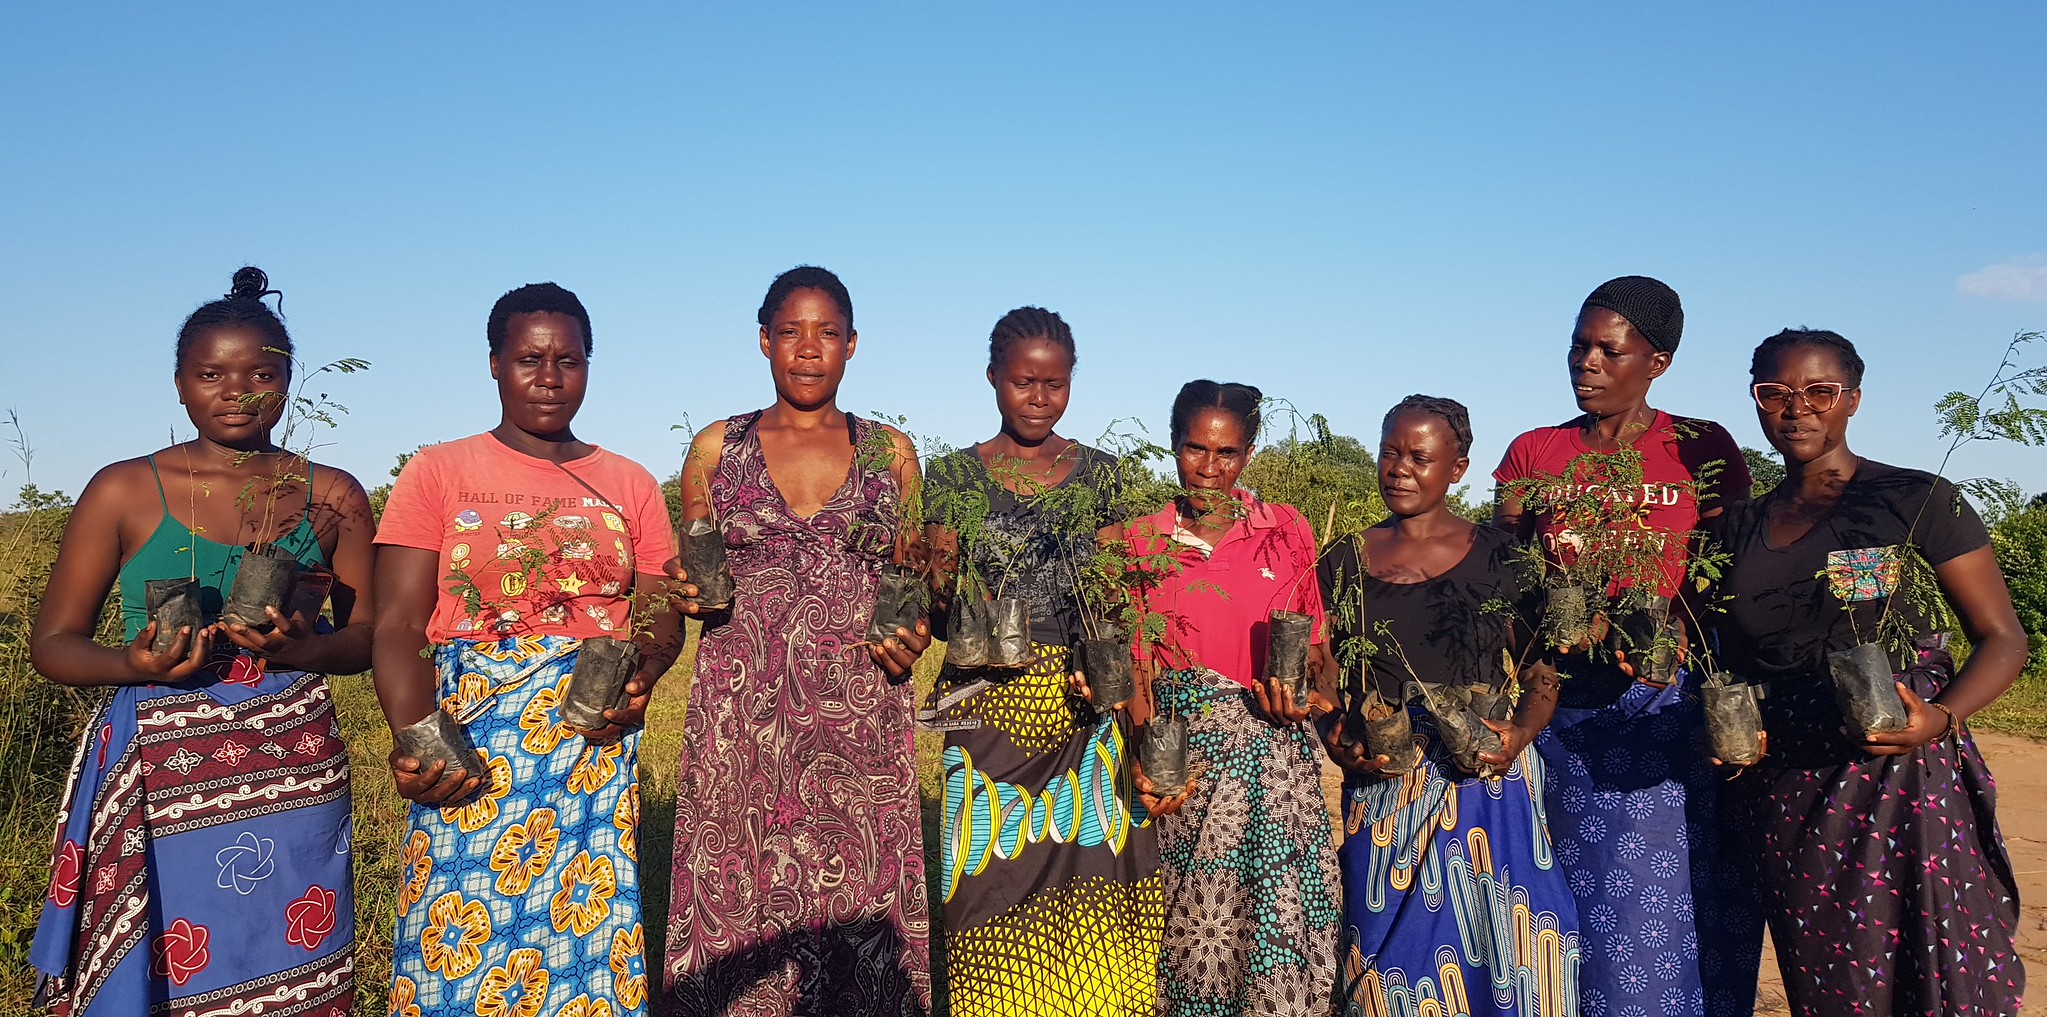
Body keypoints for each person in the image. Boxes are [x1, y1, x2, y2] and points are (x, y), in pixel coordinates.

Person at [29, 267, 373, 1015]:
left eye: (261, 375)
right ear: (179, 384)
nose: (236, 391)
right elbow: (53, 642)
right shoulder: (123, 489)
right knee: (158, 962)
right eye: (211, 374)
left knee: (290, 962)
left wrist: (306, 649)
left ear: (289, 382)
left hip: (292, 765)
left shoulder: (334, 494)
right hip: (159, 762)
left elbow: (370, 636)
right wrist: (129, 662)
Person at [372, 282, 685, 1017]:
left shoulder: (629, 482)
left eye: (567, 361)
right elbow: (398, 624)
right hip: (471, 743)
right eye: (529, 360)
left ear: (588, 366)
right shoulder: (438, 472)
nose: (549, 377)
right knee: (455, 941)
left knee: (585, 948)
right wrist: (419, 739)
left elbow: (661, 613)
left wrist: (640, 677)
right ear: (494, 363)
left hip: (590, 751)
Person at [1713, 329, 2027, 1014]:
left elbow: (2003, 638)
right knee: (1829, 977)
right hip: (1790, 786)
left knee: (1927, 963)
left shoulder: (1912, 498)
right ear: (1756, 401)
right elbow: (1729, 656)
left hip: (1897, 771)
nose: (1796, 408)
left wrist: (1939, 718)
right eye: (1774, 392)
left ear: (1852, 400)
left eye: (1819, 391)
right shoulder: (1738, 527)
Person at [663, 266, 934, 1016]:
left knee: (863, 894)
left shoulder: (892, 453)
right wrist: (686, 588)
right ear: (763, 341)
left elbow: (917, 575)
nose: (808, 348)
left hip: (860, 708)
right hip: (741, 713)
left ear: (853, 344)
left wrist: (914, 630)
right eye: (790, 331)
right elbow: (694, 563)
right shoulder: (716, 447)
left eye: (826, 333)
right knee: (737, 885)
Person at [1491, 276, 1758, 1017]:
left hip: (1664, 709)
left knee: (1656, 913)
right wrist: (1534, 662)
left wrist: (1670, 632)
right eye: (1579, 346)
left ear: (1657, 362)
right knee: (1560, 910)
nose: (1587, 362)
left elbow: (1728, 566)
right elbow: (1503, 573)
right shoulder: (1535, 451)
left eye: (1610, 350)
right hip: (1560, 712)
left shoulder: (1699, 446)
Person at [921, 307, 1161, 1016]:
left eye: (1054, 384)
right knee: (986, 884)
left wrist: (1130, 707)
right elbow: (940, 602)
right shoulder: (953, 476)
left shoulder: (1104, 475)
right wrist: (951, 589)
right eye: (1023, 381)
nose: (1039, 397)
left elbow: (1117, 601)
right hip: (989, 706)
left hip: (1084, 706)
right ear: (992, 377)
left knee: (1097, 880)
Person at [1319, 395, 1580, 1016]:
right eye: (1389, 452)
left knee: (1507, 954)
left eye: (1420, 457)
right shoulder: (1344, 559)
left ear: (1458, 469)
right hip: (1385, 787)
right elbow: (1321, 670)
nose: (1399, 469)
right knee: (1385, 965)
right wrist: (1334, 731)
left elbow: (1542, 666)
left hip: (1486, 788)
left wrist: (1520, 733)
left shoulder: (1502, 558)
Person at [1125, 379, 1340, 1017]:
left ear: (1248, 454)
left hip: (1275, 766)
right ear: (1174, 445)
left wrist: (1306, 697)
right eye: (1196, 449)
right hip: (1185, 767)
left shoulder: (1287, 531)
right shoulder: (1142, 540)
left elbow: (1316, 650)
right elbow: (1137, 670)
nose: (1210, 468)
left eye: (1228, 453)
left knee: (1277, 925)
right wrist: (1149, 758)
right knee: (1193, 935)